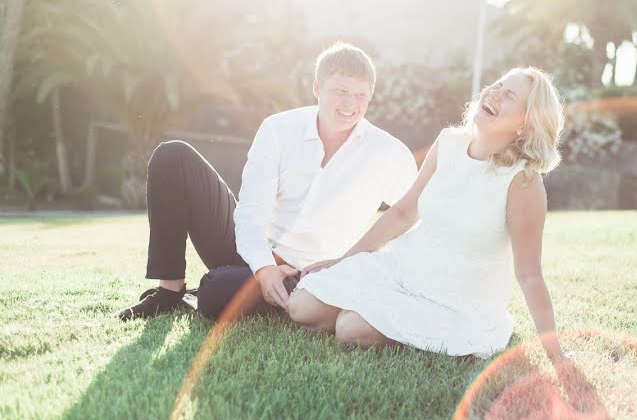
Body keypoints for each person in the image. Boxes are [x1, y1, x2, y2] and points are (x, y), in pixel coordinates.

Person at [115, 42, 418, 321]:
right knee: (173, 156)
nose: (350, 103)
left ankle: (218, 288)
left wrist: (358, 267)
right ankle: (169, 293)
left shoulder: (387, 153)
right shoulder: (278, 129)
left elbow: (416, 219)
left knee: (214, 292)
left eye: (361, 95)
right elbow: (250, 213)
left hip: (308, 275)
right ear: (317, 87)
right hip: (250, 249)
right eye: (341, 90)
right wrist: (264, 268)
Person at [287, 67, 566, 361]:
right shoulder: (449, 142)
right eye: (496, 85)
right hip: (405, 269)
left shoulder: (522, 181)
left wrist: (556, 355)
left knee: (350, 328)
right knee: (301, 306)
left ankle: (392, 324)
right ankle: (368, 310)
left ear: (524, 124)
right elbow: (404, 212)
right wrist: (343, 262)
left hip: (455, 300)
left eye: (509, 95)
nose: (493, 93)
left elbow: (530, 274)